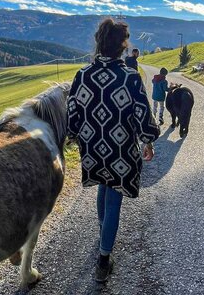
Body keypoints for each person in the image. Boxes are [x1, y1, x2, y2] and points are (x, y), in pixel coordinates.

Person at [67, 18, 160, 283]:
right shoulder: (130, 77)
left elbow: (72, 114)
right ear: (123, 45)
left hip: (94, 149)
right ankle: (104, 260)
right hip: (121, 152)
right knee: (114, 200)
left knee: (102, 187)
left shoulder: (82, 75)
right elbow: (143, 113)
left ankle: (103, 239)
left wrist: (76, 136)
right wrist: (148, 141)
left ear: (98, 42)